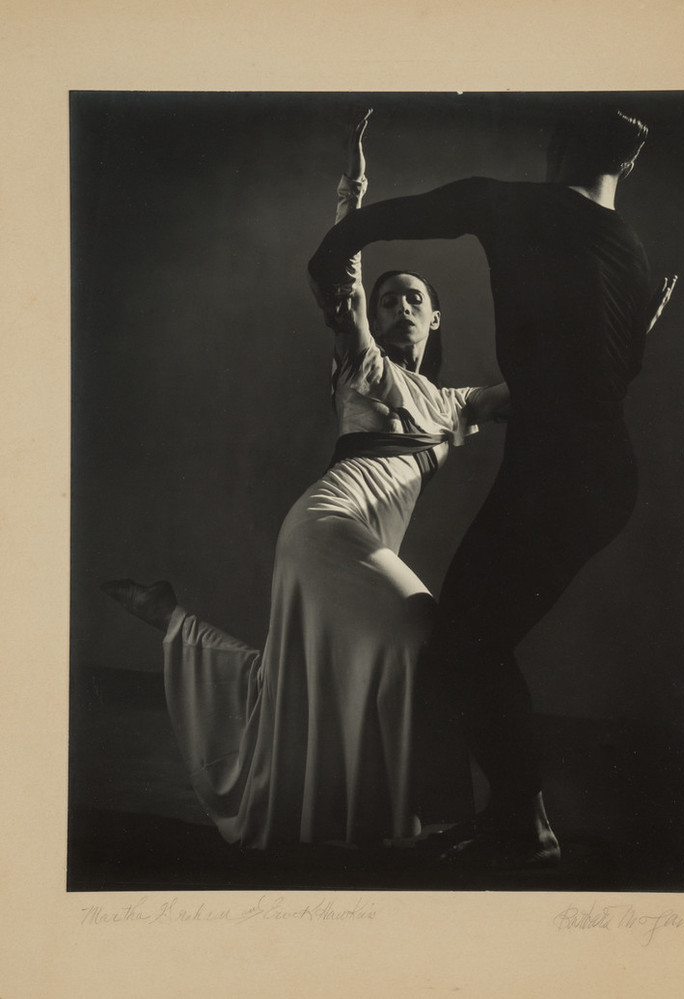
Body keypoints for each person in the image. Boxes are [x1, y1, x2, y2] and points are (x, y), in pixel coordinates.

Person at [102, 111, 509, 851]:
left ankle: (171, 621)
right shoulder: (362, 365)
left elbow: (544, 396)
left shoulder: (458, 404)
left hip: (355, 535)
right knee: (423, 632)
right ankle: (438, 818)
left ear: (438, 315)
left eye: (415, 297)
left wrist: (617, 343)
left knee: (306, 683)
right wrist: (349, 201)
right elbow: (339, 284)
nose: (400, 305)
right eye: (390, 298)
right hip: (328, 524)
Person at [308, 103, 677, 870]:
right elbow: (608, 373)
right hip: (604, 474)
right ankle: (519, 818)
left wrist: (336, 245)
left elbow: (389, 223)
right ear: (629, 165)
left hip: (559, 471)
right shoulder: (631, 253)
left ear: (555, 144)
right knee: (474, 643)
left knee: (463, 646)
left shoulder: (511, 202)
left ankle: (522, 824)